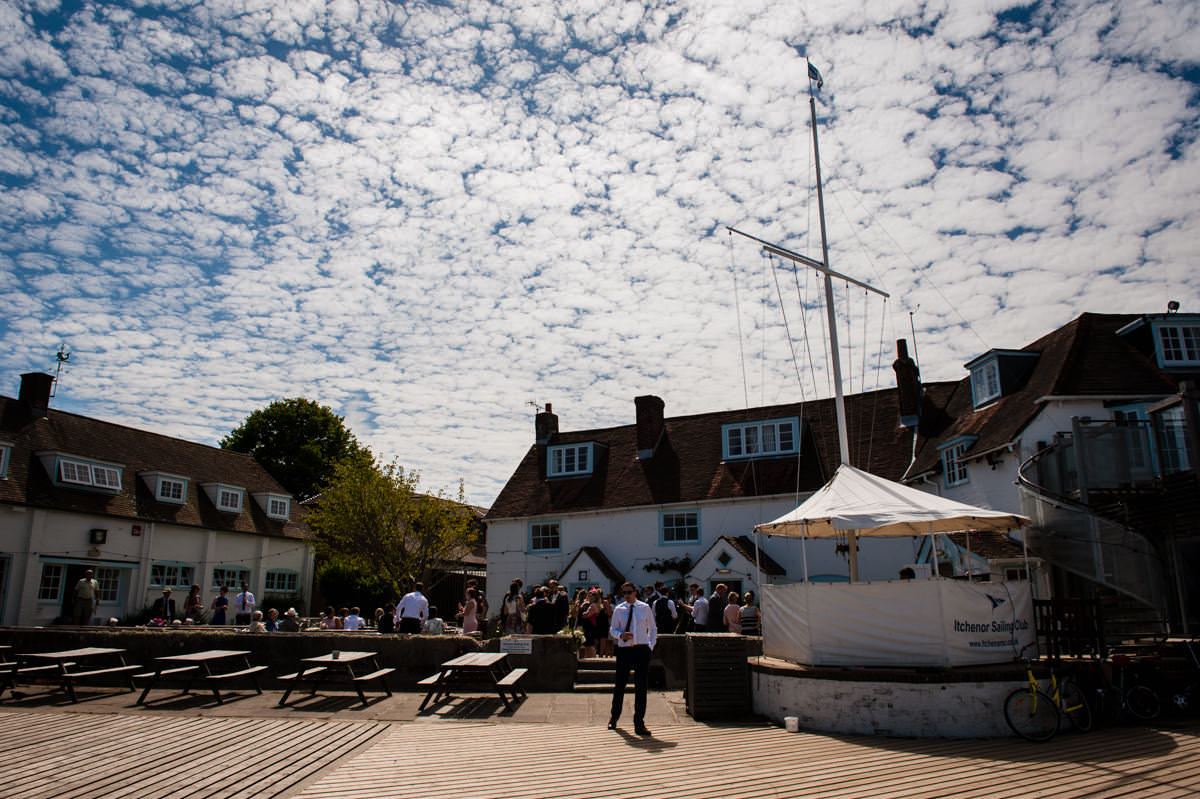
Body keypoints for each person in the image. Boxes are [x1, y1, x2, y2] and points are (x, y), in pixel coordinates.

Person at [608, 581, 656, 736]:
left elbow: (653, 627)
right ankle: (614, 716)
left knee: (641, 687)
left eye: (629, 592)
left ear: (635, 592)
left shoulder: (644, 607)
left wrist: (650, 646)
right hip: (625, 649)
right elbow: (612, 629)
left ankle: (639, 722)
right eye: (624, 593)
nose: (627, 595)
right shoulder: (619, 609)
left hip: (641, 649)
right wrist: (620, 635)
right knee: (620, 684)